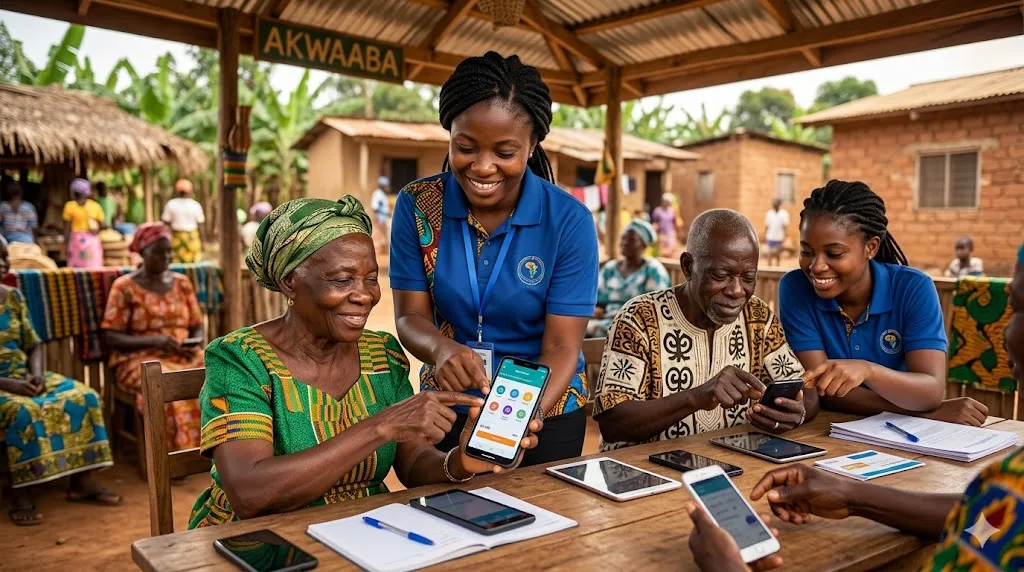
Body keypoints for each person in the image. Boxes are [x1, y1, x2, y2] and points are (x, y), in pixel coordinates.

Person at [188, 197, 543, 528]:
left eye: (371, 278)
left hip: (365, 530)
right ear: (289, 282)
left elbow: (413, 462)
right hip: (261, 541)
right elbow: (251, 494)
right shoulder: (240, 358)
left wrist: (460, 462)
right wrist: (381, 426)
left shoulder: (383, 355)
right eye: (342, 280)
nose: (364, 295)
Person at [686, 242, 1024, 572]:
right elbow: (984, 518)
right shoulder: (1011, 484)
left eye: (1018, 308)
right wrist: (850, 496)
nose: (1004, 329)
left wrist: (726, 566)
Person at [390, 52, 598, 466]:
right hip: (449, 404)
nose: (483, 167)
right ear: (449, 133)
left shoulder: (569, 220)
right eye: (465, 147)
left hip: (543, 411)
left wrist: (515, 421)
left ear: (533, 144)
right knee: (449, 521)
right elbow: (409, 318)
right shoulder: (417, 205)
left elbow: (561, 345)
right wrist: (441, 349)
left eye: (505, 152)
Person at [593, 209, 813, 451]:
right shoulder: (639, 318)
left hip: (732, 466)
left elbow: (806, 390)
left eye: (749, 277)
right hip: (644, 474)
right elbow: (612, 423)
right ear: (688, 266)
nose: (737, 290)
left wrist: (794, 412)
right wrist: (696, 397)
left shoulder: (758, 316)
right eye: (721, 275)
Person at [778, 180, 988, 426]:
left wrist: (868, 370)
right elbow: (825, 392)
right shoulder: (796, 288)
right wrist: (923, 412)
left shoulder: (913, 289)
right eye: (807, 251)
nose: (816, 266)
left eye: (834, 254)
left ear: (871, 247)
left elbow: (930, 390)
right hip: (833, 430)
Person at [0, 236, 121, 525]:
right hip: (4, 385)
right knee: (24, 411)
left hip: (22, 376)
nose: (4, 263)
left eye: (5, 257)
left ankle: (82, 481)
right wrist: (10, 386)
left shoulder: (12, 296)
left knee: (86, 396)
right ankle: (22, 492)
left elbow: (35, 343)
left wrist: (37, 375)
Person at [102, 223, 204, 453]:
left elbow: (197, 325)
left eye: (169, 251)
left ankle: (215, 449)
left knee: (218, 371)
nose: (166, 257)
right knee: (166, 381)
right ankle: (174, 457)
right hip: (140, 359)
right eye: (158, 252)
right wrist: (154, 341)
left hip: (180, 354)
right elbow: (110, 336)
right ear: (142, 252)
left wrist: (194, 343)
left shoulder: (182, 283)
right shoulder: (125, 287)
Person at [587, 219, 671, 338]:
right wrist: (597, 309)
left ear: (644, 245)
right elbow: (597, 300)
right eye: (623, 238)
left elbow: (656, 308)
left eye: (631, 240)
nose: (625, 243)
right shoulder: (610, 268)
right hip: (605, 320)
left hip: (637, 326)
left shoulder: (653, 270)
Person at [63, 178, 107, 268]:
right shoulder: (95, 206)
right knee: (93, 267)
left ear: (73, 192)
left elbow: (67, 228)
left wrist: (66, 245)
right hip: (91, 241)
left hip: (76, 241)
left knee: (76, 269)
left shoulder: (69, 206)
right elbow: (103, 225)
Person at [161, 178, 206, 263]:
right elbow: (200, 225)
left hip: (177, 239)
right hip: (192, 238)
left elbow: (165, 224)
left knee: (177, 264)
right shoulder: (195, 205)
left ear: (177, 191)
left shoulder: (171, 204)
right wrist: (202, 241)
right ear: (190, 191)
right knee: (194, 264)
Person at [651, 193, 682, 257]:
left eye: (668, 202)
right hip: (661, 233)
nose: (667, 203)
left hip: (670, 232)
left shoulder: (672, 211)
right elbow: (655, 222)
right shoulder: (657, 210)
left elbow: (675, 222)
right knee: (662, 251)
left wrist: (678, 233)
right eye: (666, 201)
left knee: (670, 251)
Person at [764, 199, 789, 267]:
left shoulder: (783, 214)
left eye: (777, 205)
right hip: (770, 236)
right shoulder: (769, 213)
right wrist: (765, 235)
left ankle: (777, 265)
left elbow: (785, 227)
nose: (776, 206)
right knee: (770, 252)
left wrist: (784, 237)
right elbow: (766, 225)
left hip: (779, 236)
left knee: (778, 253)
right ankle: (769, 267)